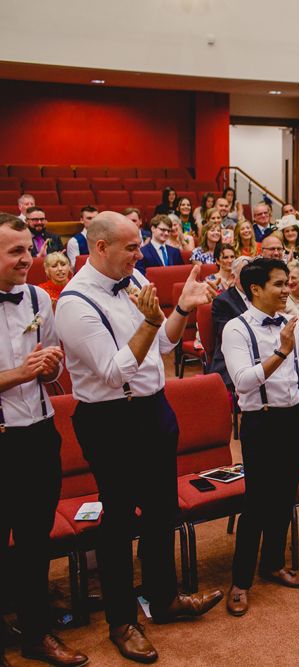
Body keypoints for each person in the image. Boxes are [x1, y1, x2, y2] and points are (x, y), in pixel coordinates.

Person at [54, 212, 223, 664]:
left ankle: (164, 599)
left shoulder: (133, 279)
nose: (140, 253)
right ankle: (122, 621)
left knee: (162, 508)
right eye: (131, 247)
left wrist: (182, 309)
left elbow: (166, 346)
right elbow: (111, 371)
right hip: (110, 419)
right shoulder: (73, 302)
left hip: (153, 408)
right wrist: (150, 324)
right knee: (119, 521)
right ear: (101, 247)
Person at [0, 213, 88, 667]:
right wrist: (20, 372)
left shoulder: (37, 296)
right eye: (16, 250)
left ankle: (37, 633)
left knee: (36, 540)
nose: (28, 257)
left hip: (37, 434)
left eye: (28, 248)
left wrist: (50, 366)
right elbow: (23, 372)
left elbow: (53, 366)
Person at [222, 257, 299, 617]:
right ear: (256, 289)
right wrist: (282, 349)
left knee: (285, 497)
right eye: (279, 284)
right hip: (261, 421)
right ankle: (240, 582)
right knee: (256, 503)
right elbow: (242, 380)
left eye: (288, 283)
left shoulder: (290, 322)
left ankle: (273, 563)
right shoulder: (236, 329)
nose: (288, 290)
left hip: (294, 418)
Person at [208, 257, 249, 387]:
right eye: (245, 274)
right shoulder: (223, 301)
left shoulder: (261, 296)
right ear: (233, 276)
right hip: (232, 358)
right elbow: (229, 336)